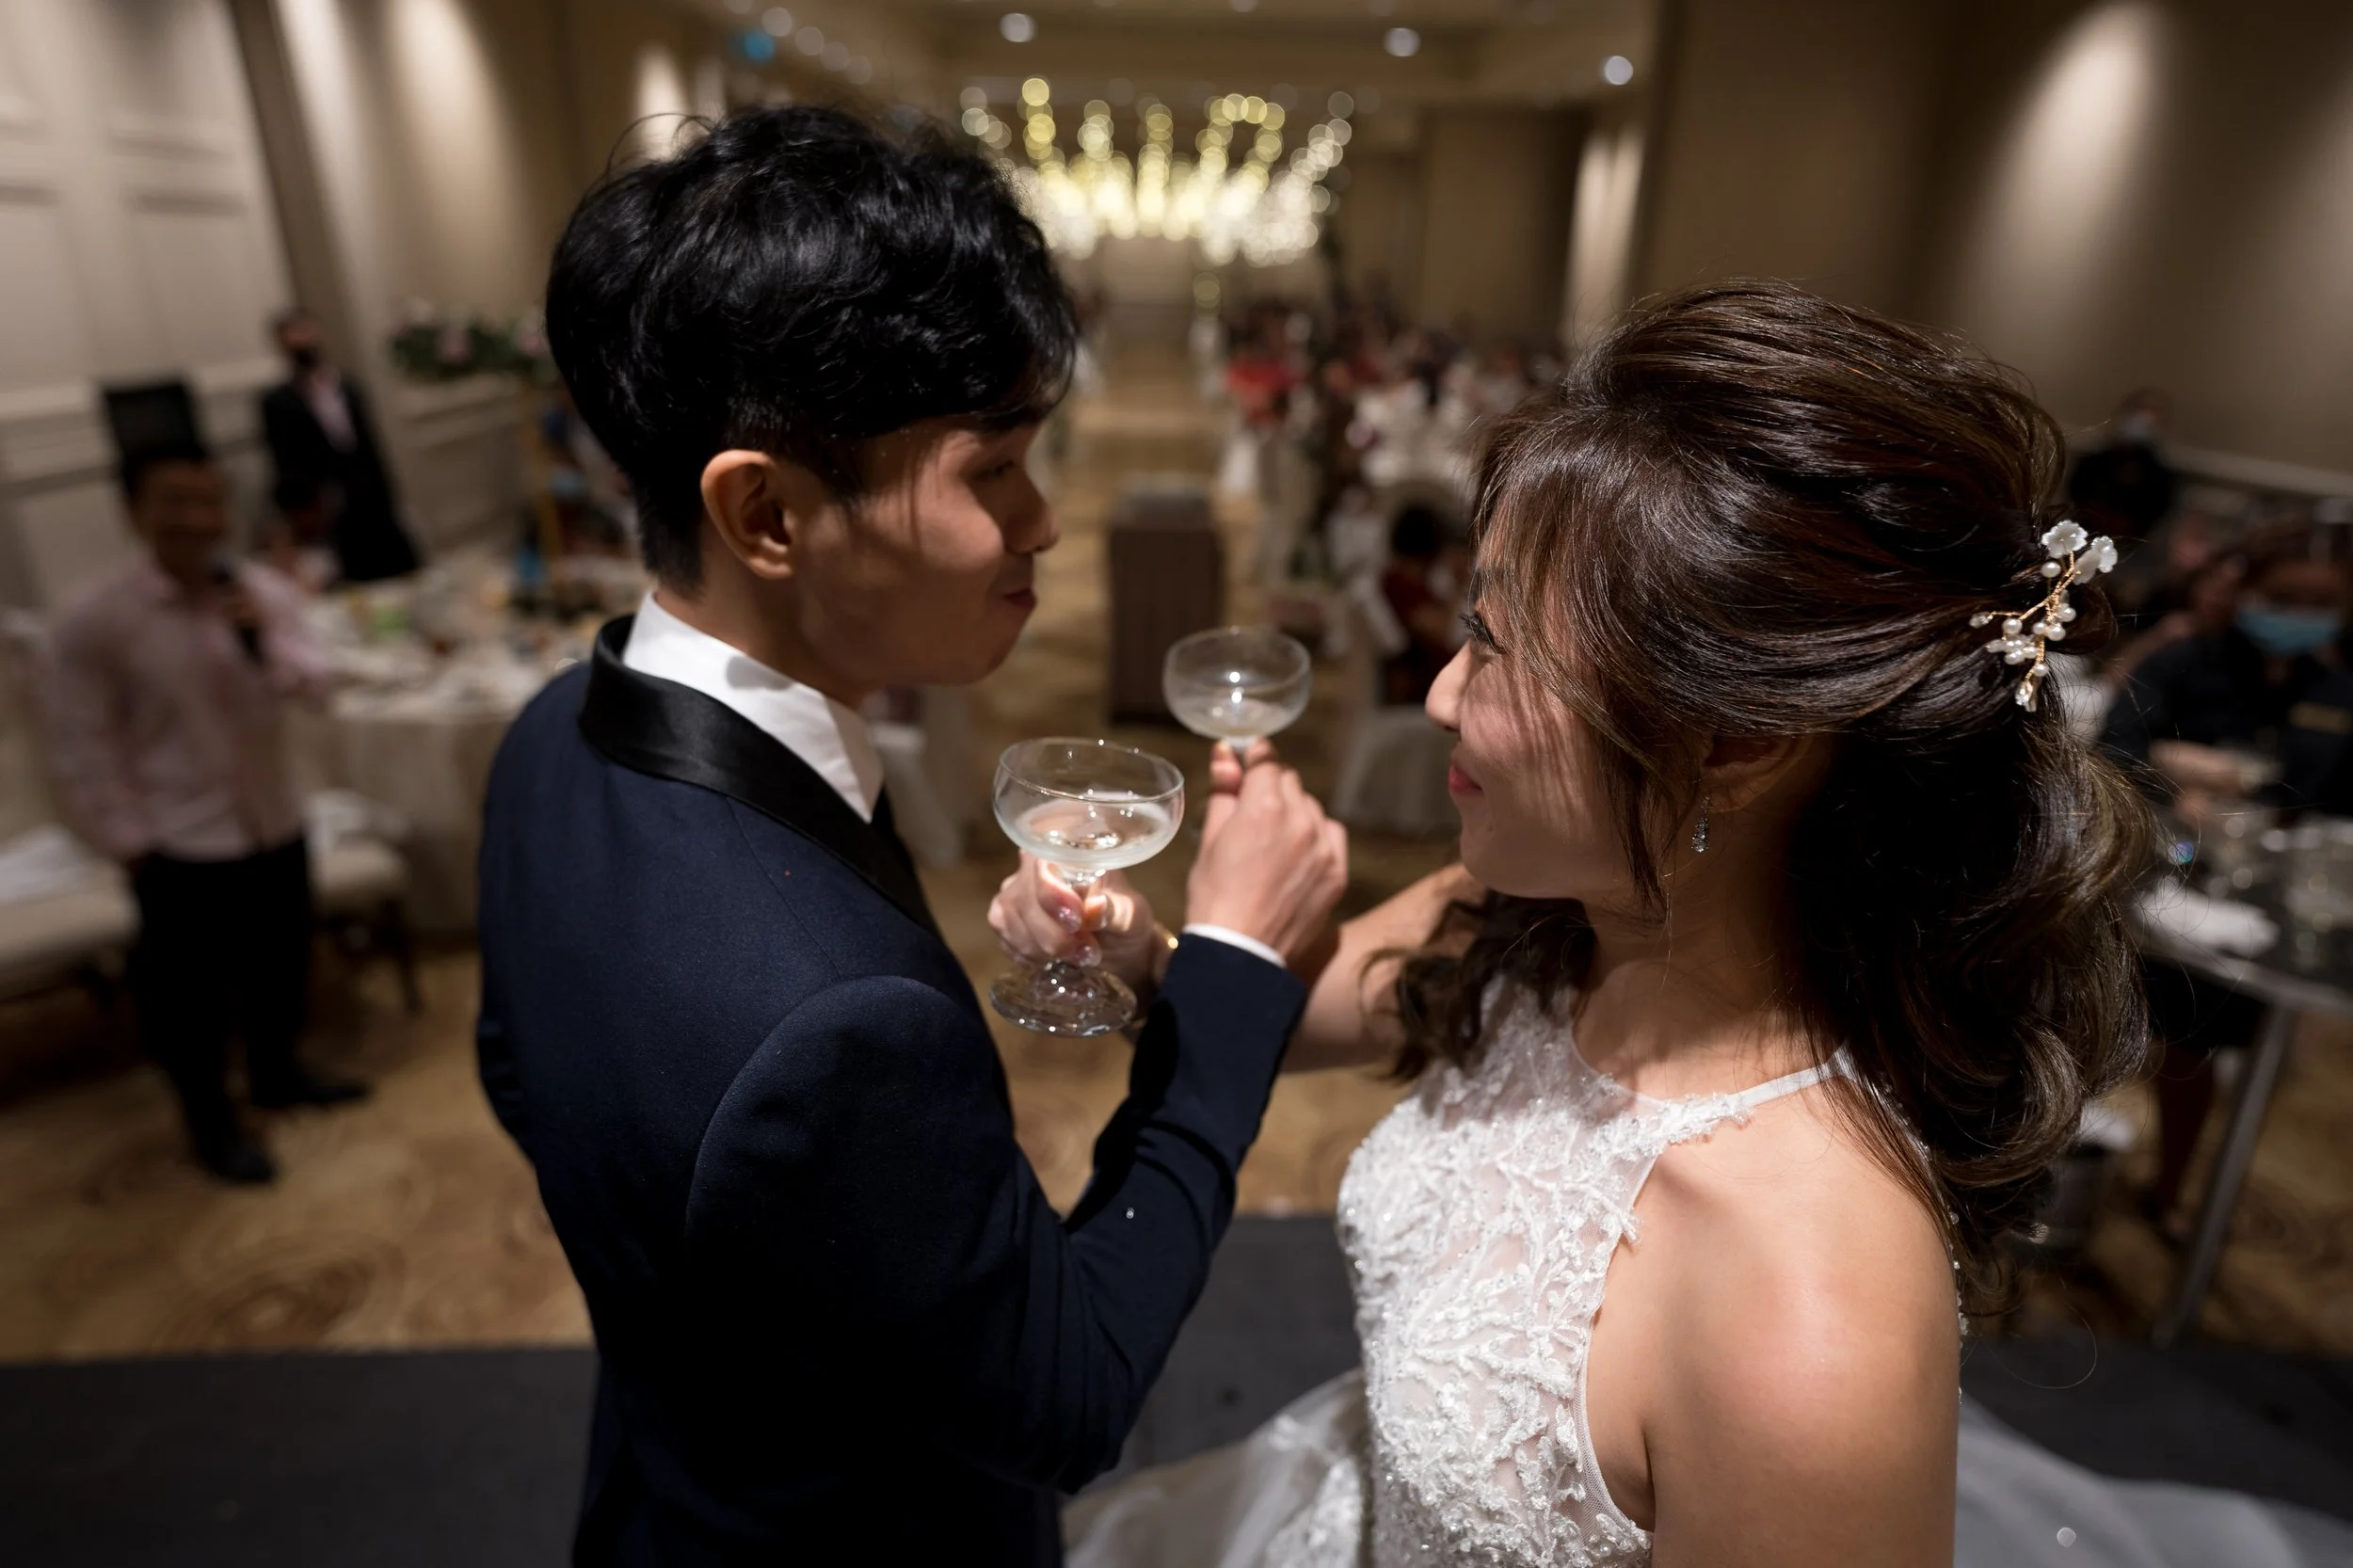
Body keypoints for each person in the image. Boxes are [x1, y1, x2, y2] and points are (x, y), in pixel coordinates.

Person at [1003, 284, 2353, 1565]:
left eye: (1498, 646)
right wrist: (1145, 956)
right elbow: (1294, 1013)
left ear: (1740, 737)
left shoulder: (1807, 1311)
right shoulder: (1531, 914)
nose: (1439, 699)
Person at [474, 105, 1349, 1567]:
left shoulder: (547, 740)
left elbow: (529, 1084)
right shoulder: (826, 1019)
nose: (1045, 523)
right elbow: (1069, 1394)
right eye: (992, 470)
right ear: (766, 514)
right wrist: (1238, 961)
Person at [43, 441, 363, 1184]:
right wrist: (128, 843)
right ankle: (211, 1123)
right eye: (175, 502)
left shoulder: (259, 592)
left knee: (281, 967)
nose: (196, 519)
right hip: (178, 842)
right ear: (135, 511)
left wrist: (263, 639)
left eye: (209, 501)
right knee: (189, 1006)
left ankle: (279, 1074)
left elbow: (317, 685)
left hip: (273, 820)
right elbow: (83, 744)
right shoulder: (97, 619)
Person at [259, 309, 421, 584]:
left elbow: (369, 444)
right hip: (327, 504)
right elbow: (283, 458)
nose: (299, 341)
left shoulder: (346, 386)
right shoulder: (277, 401)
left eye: (303, 331)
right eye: (290, 336)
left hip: (369, 493)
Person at [2069, 387, 2180, 550]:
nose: (2143, 418)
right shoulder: (2094, 460)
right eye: (2139, 410)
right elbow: (2076, 493)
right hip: (2083, 537)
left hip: (2130, 546)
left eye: (2152, 413)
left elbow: (2157, 510)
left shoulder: (2160, 473)